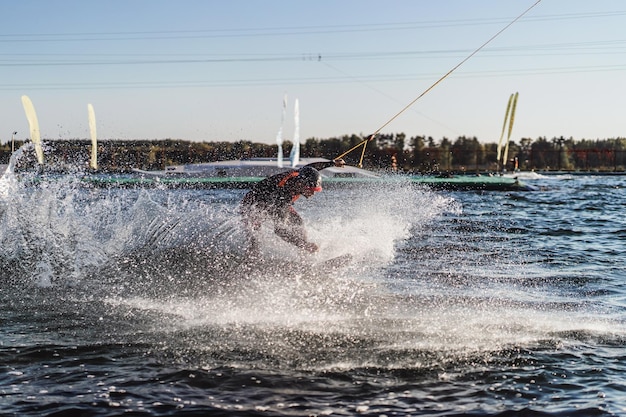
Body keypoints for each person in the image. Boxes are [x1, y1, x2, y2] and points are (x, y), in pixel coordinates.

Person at [240, 159, 344, 257]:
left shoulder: (300, 175)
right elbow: (279, 231)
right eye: (310, 189)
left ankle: (304, 257)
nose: (313, 193)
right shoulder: (283, 195)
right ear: (301, 184)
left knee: (298, 223)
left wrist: (332, 163)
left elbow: (310, 168)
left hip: (271, 201)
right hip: (251, 206)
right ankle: (250, 261)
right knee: (255, 239)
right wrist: (303, 244)